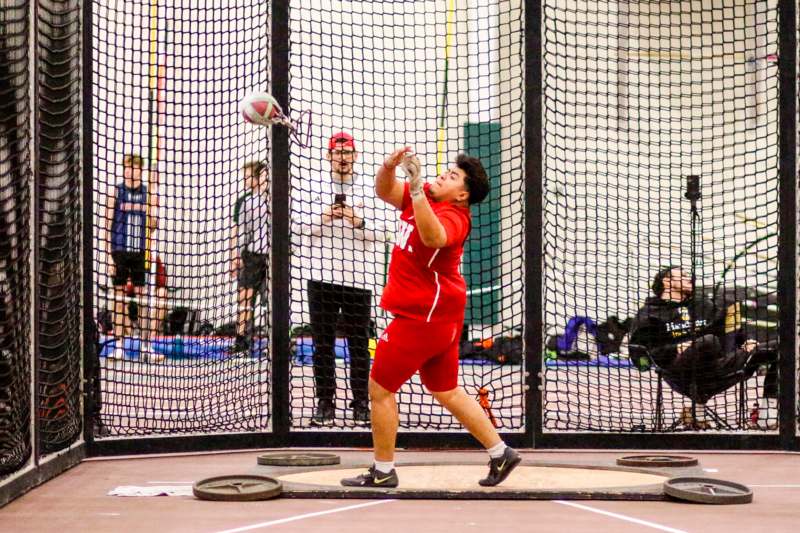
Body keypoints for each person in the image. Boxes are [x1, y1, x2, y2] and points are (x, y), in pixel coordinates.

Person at [340, 147, 521, 488]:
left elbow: (433, 236)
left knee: (379, 389)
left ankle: (382, 471)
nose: (443, 176)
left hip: (423, 315)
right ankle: (501, 453)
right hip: (440, 313)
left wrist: (418, 185)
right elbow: (384, 190)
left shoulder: (455, 216)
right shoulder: (422, 199)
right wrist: (389, 167)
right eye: (445, 172)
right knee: (446, 389)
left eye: (452, 177)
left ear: (463, 195)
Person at [293, 132, 389, 426]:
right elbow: (296, 227)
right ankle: (325, 402)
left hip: (357, 278)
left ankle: (361, 402)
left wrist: (357, 221)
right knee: (322, 343)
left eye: (347, 153)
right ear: (329, 156)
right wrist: (323, 218)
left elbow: (384, 231)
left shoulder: (371, 189)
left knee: (359, 343)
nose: (343, 158)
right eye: (338, 153)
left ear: (355, 156)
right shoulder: (312, 187)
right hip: (320, 276)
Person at [629, 266, 778, 427]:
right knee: (708, 341)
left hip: (716, 369)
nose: (689, 278)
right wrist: (676, 349)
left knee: (782, 347)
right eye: (684, 275)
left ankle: (767, 416)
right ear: (667, 281)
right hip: (679, 372)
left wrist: (744, 344)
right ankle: (697, 412)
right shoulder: (650, 313)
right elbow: (642, 355)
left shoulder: (702, 305)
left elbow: (727, 329)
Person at [103, 153, 163, 363]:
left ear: (140, 170)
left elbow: (153, 227)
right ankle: (119, 347)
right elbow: (107, 226)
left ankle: (146, 347)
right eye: (127, 167)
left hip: (140, 252)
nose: (130, 171)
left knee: (143, 299)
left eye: (134, 167)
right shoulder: (116, 193)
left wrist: (154, 209)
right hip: (119, 251)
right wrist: (108, 257)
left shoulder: (147, 194)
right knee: (118, 300)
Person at [229, 161, 270, 354]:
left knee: (271, 299)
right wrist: (235, 255)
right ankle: (242, 340)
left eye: (248, 176)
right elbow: (237, 230)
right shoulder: (244, 201)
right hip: (251, 255)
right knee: (245, 298)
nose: (245, 180)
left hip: (271, 256)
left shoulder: (273, 198)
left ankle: (275, 341)